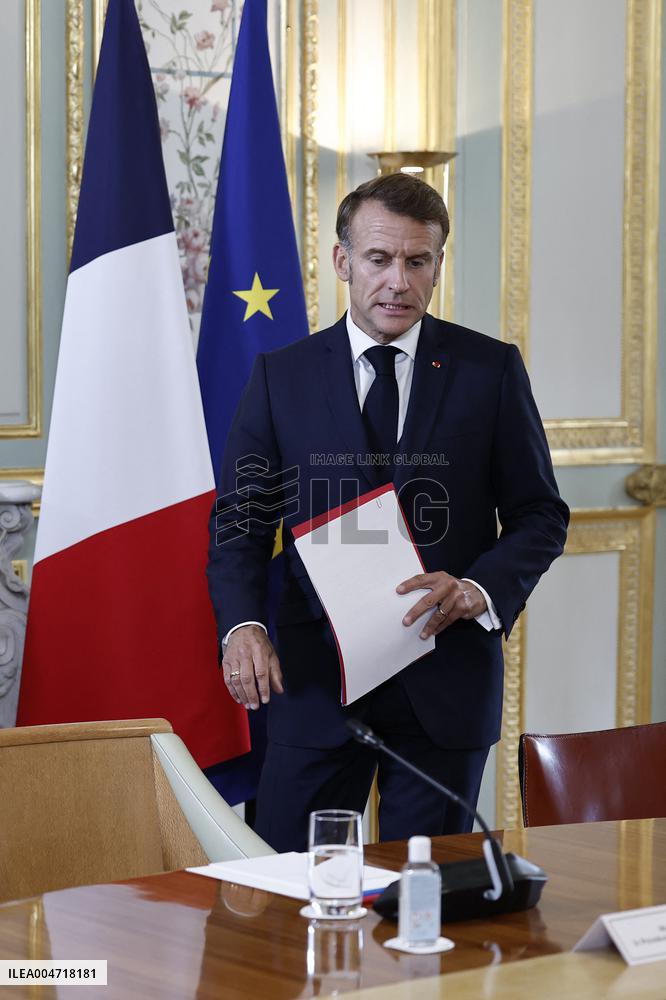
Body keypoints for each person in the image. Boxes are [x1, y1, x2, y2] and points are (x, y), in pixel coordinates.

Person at [206, 173, 569, 852]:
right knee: (293, 902)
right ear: (344, 261)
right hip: (315, 685)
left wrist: (478, 589)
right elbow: (241, 523)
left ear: (437, 264)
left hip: (446, 682)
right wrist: (243, 626)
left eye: (416, 261)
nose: (397, 281)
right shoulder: (280, 377)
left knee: (423, 911)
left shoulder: (488, 372)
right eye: (378, 260)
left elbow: (541, 514)